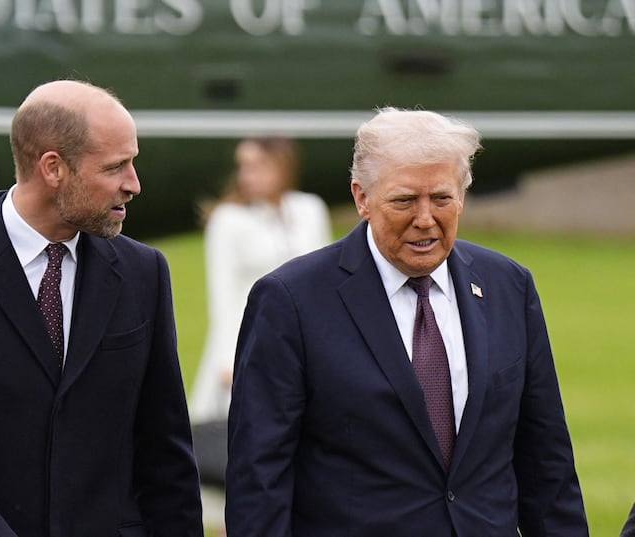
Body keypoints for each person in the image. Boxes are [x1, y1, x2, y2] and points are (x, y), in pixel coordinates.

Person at [225, 107, 588, 536]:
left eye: (441, 199)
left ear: (462, 196)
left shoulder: (508, 286)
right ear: (362, 198)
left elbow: (546, 462)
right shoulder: (291, 300)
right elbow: (259, 476)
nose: (424, 219)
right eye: (403, 200)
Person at [0, 80, 203, 537]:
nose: (134, 184)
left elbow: (165, 450)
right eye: (116, 166)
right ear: (53, 168)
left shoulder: (144, 272)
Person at [190, 136, 331, 423]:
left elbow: (325, 282)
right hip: (251, 341)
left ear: (283, 166)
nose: (247, 175)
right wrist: (228, 359)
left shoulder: (310, 209)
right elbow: (222, 294)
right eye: (243, 166)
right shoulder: (227, 220)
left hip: (303, 341)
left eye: (257, 165)